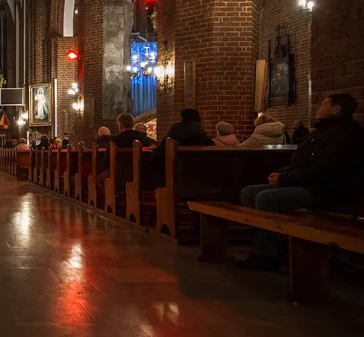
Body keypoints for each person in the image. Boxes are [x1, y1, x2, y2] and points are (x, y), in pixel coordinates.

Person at [239, 93, 364, 271]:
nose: (318, 108)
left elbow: (323, 169)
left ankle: (268, 255)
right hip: (307, 183)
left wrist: (284, 178)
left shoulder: (345, 135)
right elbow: (301, 162)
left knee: (266, 198)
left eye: (323, 105)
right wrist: (281, 173)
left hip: (327, 190)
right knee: (248, 192)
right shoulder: (324, 132)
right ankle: (273, 243)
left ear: (336, 109)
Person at [146, 109, 213, 188]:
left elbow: (164, 146)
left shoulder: (177, 129)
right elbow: (211, 146)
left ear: (183, 117)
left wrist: (153, 154)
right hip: (199, 172)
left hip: (178, 170)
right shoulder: (201, 130)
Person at [97, 113, 152, 191]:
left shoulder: (115, 140)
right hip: (141, 173)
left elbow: (107, 161)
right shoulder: (143, 138)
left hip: (119, 174)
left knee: (99, 179)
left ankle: (112, 199)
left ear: (120, 126)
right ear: (133, 125)